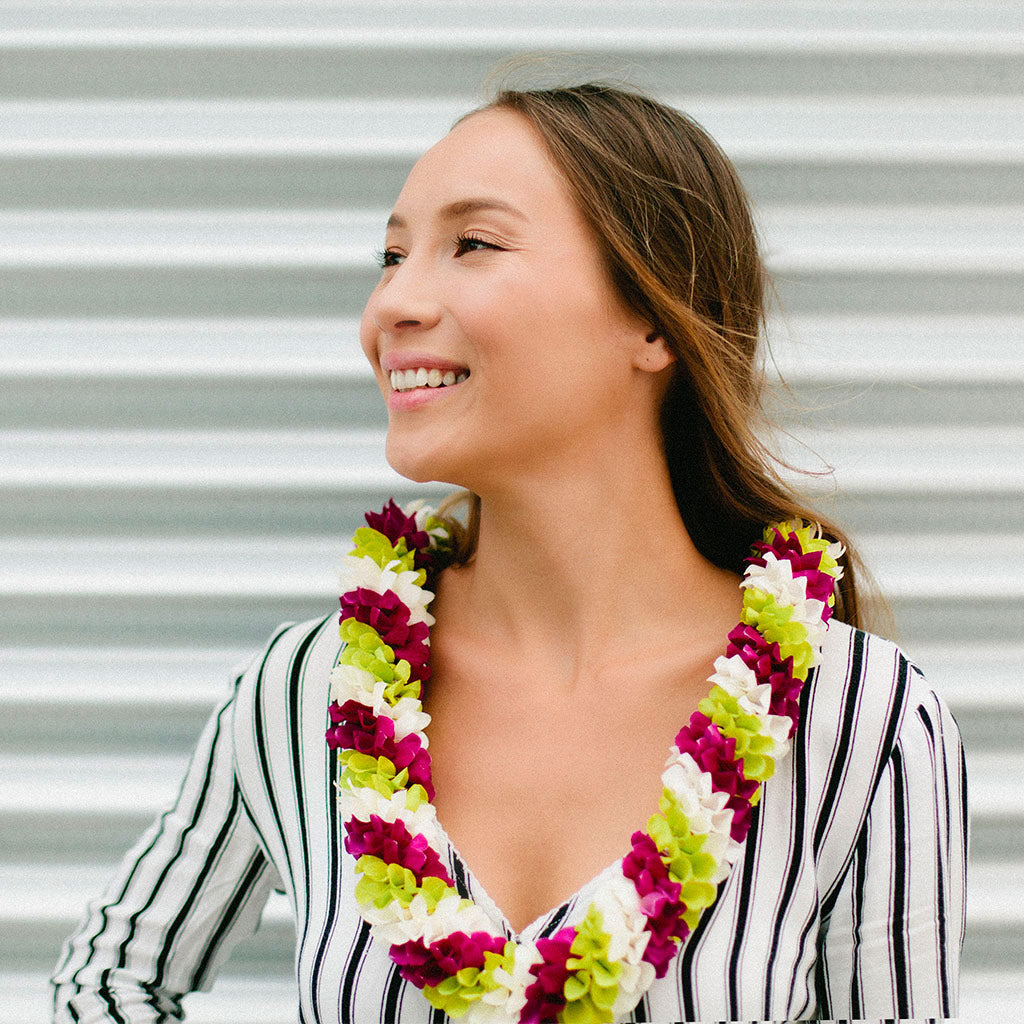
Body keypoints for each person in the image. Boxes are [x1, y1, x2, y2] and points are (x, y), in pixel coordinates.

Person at [52, 82, 967, 1023]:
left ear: (655, 317)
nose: (392, 302)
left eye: (474, 244)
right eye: (392, 256)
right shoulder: (307, 693)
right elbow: (108, 983)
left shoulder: (861, 719)